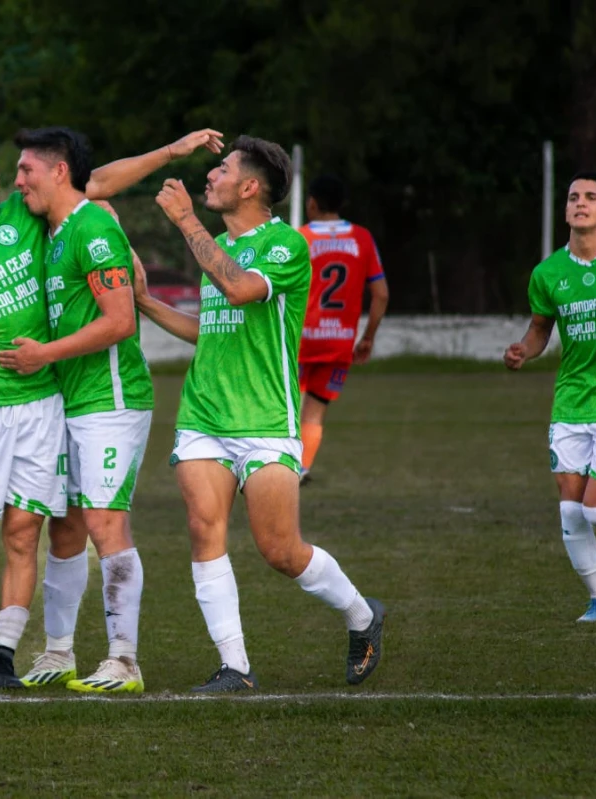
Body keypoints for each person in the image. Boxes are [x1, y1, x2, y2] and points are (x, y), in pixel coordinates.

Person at [0, 129, 222, 689]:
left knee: (38, 532)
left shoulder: (39, 218)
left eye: (5, 173)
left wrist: (170, 152)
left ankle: (41, 655)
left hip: (59, 402)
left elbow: (98, 185)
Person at [138, 135, 385, 691]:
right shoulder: (221, 247)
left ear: (250, 186)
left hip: (266, 421)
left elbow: (241, 290)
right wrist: (145, 301)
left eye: (221, 169)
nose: (209, 177)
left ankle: (363, 617)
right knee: (205, 531)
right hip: (203, 416)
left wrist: (186, 223)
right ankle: (236, 667)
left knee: (281, 551)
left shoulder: (286, 245)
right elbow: (212, 331)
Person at [0, 128, 160, 694]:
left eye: (25, 171)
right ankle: (59, 651)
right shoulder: (58, 230)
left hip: (110, 400)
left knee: (104, 522)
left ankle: (124, 660)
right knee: (62, 526)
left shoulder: (92, 227)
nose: (18, 183)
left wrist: (44, 354)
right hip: (67, 401)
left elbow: (120, 320)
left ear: (58, 171)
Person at [504, 171, 596, 623]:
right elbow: (539, 331)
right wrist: (523, 351)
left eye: (591, 197)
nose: (580, 202)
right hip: (572, 401)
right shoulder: (548, 273)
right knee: (571, 510)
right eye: (574, 196)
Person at [297, 175, 389, 483]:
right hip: (339, 342)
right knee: (315, 409)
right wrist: (368, 337)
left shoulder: (301, 238)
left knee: (284, 405)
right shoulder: (362, 238)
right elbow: (382, 294)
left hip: (299, 339)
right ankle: (302, 469)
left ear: (311, 202)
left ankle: (275, 467)